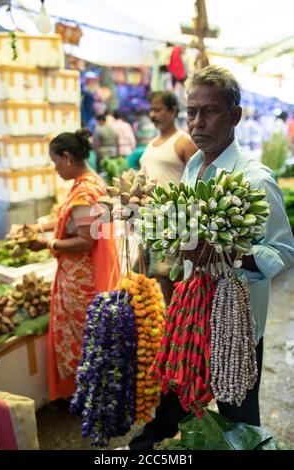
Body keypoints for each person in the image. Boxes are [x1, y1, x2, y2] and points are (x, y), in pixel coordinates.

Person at [126, 65, 294, 450]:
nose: (197, 122)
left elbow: (283, 251)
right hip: (190, 309)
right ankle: (155, 436)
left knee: (238, 413)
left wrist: (230, 253)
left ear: (234, 115)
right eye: (192, 112)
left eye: (210, 111)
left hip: (234, 321)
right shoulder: (192, 166)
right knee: (177, 381)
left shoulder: (255, 179)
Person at [12, 130, 120, 401]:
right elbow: (70, 220)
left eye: (55, 161)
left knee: (81, 337)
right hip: (84, 277)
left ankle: (83, 392)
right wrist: (38, 226)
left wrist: (47, 245)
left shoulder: (84, 193)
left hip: (79, 283)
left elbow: (85, 241)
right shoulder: (92, 182)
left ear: (68, 157)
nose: (55, 168)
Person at [140, 91, 197, 305]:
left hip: (176, 218)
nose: (153, 114)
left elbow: (197, 179)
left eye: (158, 109)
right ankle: (172, 320)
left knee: (176, 275)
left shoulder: (184, 142)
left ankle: (181, 321)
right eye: (151, 109)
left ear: (173, 111)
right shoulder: (151, 143)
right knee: (160, 275)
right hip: (153, 218)